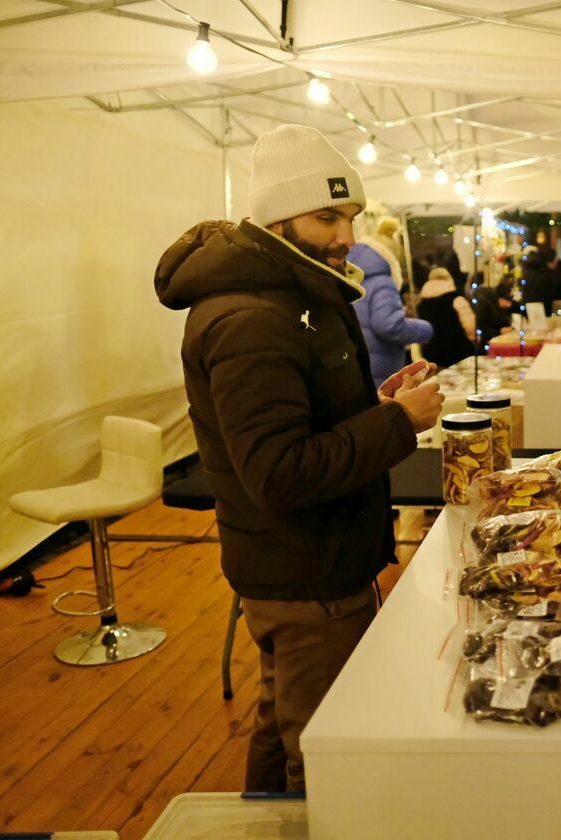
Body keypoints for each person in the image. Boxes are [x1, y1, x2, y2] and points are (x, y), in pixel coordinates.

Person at [154, 124, 445, 791]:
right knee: (321, 750)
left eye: (350, 216)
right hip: (305, 566)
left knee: (283, 716)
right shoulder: (253, 317)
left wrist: (377, 404)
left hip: (307, 559)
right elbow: (280, 474)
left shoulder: (291, 295)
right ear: (276, 217)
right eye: (326, 217)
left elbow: (297, 421)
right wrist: (398, 424)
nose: (347, 235)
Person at [348, 232, 432, 385]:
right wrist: (424, 329)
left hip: (362, 361)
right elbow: (389, 325)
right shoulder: (382, 282)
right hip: (381, 366)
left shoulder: (353, 280)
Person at [418, 267, 477, 367]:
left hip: (431, 356)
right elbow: (471, 328)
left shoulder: (422, 303)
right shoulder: (456, 299)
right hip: (458, 355)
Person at [472, 279, 516, 349]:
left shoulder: (501, 306)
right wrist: (499, 331)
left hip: (496, 340)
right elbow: (482, 329)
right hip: (484, 345)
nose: (509, 305)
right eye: (507, 301)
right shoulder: (484, 305)